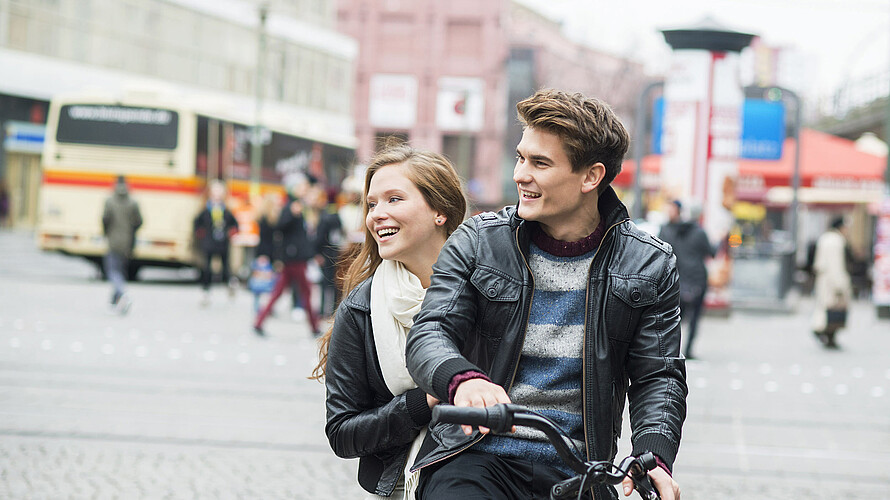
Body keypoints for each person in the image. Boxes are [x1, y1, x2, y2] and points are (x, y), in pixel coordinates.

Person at [405, 89, 686, 500]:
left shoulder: (649, 263)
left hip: (581, 470)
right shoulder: (478, 241)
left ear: (591, 177)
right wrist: (461, 379)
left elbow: (658, 376)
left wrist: (653, 455)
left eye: (540, 163)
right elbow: (430, 332)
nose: (520, 174)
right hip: (474, 456)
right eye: (521, 157)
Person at [312, 145, 467, 499]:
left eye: (394, 199)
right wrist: (423, 402)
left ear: (440, 211)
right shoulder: (361, 308)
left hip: (492, 474)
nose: (377, 214)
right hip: (403, 483)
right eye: (371, 204)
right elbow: (342, 432)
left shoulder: (490, 291)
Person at [253, 177, 321, 337]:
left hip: (295, 257)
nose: (304, 189)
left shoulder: (298, 206)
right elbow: (281, 228)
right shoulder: (291, 207)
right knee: (304, 291)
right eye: (301, 186)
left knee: (282, 292)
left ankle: (259, 321)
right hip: (294, 258)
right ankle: (314, 326)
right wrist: (291, 214)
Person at [658, 199, 715, 360]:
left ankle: (671, 349)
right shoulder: (699, 232)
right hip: (698, 279)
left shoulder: (673, 231)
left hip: (679, 279)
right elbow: (711, 252)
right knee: (694, 318)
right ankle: (688, 350)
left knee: (675, 317)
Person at [193, 180, 239, 307]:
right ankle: (206, 292)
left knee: (225, 268)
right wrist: (200, 233)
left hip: (223, 243)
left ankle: (230, 283)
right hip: (209, 242)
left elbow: (235, 224)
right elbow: (197, 223)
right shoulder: (206, 209)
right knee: (207, 268)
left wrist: (232, 232)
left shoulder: (226, 210)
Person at [102, 175, 142, 314]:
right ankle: (115, 300)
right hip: (127, 242)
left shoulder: (110, 201)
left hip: (113, 241)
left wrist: (106, 234)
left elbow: (105, 219)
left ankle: (122, 294)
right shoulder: (133, 202)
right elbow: (139, 221)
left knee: (112, 271)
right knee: (120, 270)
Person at [810, 216, 853, 349]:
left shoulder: (825, 238)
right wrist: (839, 284)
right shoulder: (837, 241)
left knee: (823, 307)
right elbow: (836, 265)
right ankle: (826, 334)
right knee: (833, 308)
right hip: (832, 280)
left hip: (824, 279)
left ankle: (823, 332)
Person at [314, 188, 344, 318]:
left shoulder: (324, 215)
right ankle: (333, 309)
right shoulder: (337, 215)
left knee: (324, 282)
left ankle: (322, 309)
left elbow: (319, 236)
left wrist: (316, 252)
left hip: (325, 252)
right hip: (335, 251)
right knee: (334, 283)